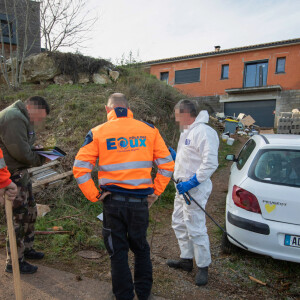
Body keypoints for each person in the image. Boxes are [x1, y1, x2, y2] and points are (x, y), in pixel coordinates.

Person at [73, 93, 174, 300]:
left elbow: (80, 168)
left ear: (107, 109)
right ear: (128, 108)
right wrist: (155, 192)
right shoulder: (149, 130)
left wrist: (94, 195)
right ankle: (144, 294)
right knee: (141, 248)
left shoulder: (98, 132)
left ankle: (123, 296)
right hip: (139, 203)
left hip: (113, 203)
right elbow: (167, 165)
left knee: (118, 252)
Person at [167, 99, 219, 286]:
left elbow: (210, 163)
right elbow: (189, 158)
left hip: (194, 189)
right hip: (181, 189)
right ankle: (186, 259)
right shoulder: (188, 132)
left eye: (177, 116)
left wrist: (192, 182)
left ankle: (203, 267)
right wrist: (175, 156)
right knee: (179, 222)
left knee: (196, 227)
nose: (176, 120)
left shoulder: (205, 132)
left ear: (185, 113)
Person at [0, 96, 50, 274]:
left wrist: (38, 149)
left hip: (21, 175)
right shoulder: (13, 118)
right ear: (30, 107)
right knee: (18, 219)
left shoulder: (22, 118)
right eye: (38, 117)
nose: (38, 121)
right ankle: (14, 261)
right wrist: (42, 157)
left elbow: (25, 147)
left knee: (30, 212)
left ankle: (26, 249)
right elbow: (21, 152)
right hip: (11, 177)